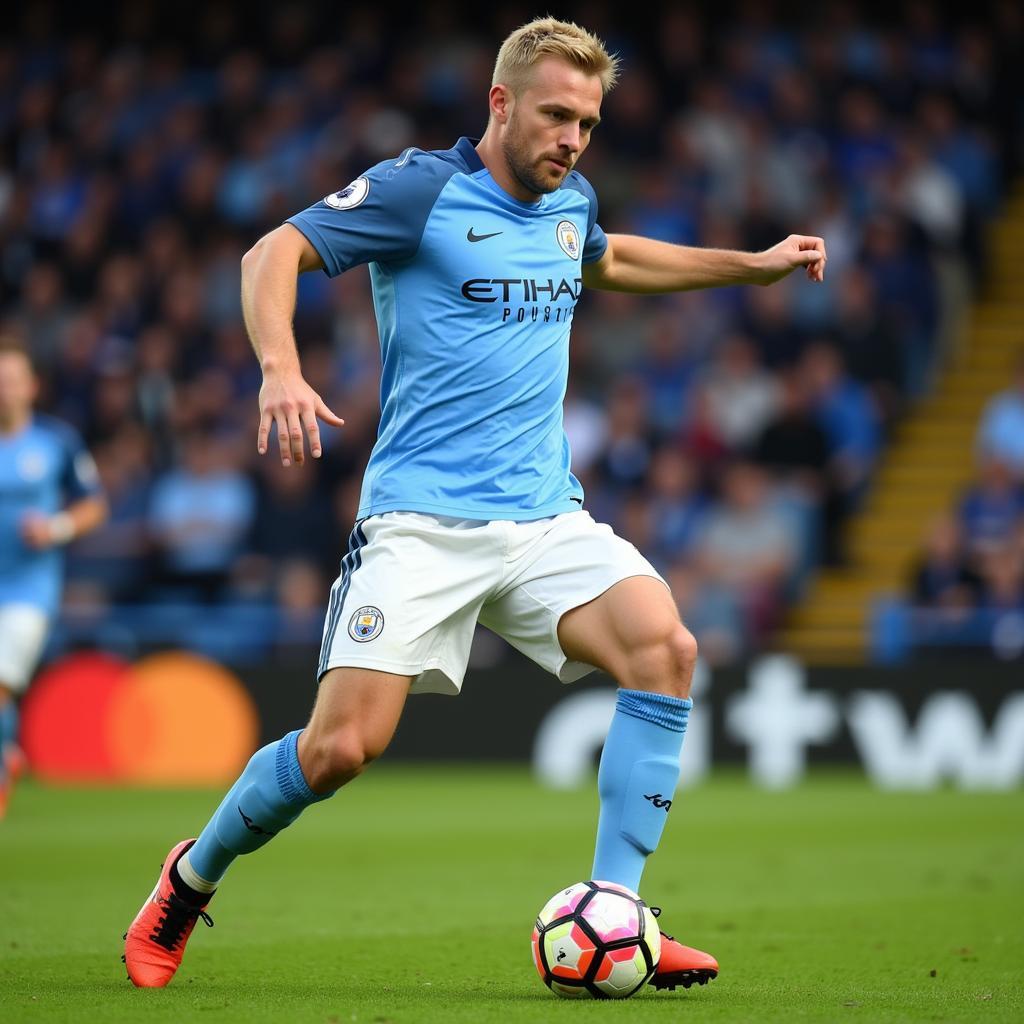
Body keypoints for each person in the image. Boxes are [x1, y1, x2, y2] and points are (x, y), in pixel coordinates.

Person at [124, 17, 826, 992]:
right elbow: (268, 256)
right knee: (338, 751)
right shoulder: (419, 190)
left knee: (664, 646)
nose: (572, 139)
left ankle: (618, 908)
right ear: (499, 103)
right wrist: (278, 369)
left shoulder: (569, 199)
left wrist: (749, 265)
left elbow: (610, 257)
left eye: (586, 121)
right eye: (554, 116)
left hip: (542, 518)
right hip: (419, 522)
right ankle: (189, 878)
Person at [0, 336, 107, 817]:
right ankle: (7, 756)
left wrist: (56, 527)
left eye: (12, 380)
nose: (4, 389)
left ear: (31, 386)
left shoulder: (55, 442)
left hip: (27, 590)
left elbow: (94, 505)